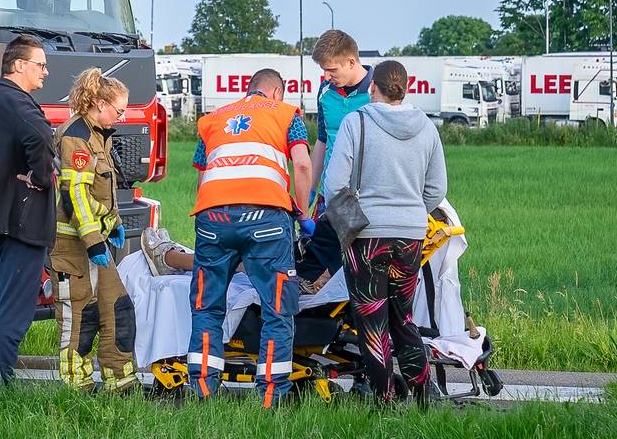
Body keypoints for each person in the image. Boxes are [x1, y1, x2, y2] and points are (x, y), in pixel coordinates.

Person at [322, 60, 447, 403]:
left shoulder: (356, 122)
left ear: (372, 86)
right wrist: (411, 212)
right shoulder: (427, 127)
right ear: (406, 88)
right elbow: (437, 188)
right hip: (411, 235)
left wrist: (355, 216)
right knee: (403, 318)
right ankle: (424, 395)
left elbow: (334, 184)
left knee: (372, 322)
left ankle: (385, 401)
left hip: (367, 236)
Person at [187, 68, 312, 407]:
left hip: (213, 219)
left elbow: (202, 179)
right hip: (266, 219)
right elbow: (302, 165)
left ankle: (201, 393)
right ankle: (271, 398)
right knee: (277, 309)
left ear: (249, 89)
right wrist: (303, 215)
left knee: (206, 306)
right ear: (276, 92)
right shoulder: (286, 114)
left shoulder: (212, 120)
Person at [0, 35, 55, 383]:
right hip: (21, 219)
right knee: (13, 310)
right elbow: (41, 138)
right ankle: (1, 385)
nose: (45, 72)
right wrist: (42, 176)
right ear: (19, 65)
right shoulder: (19, 103)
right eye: (40, 65)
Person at [49, 68, 139, 392]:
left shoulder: (99, 135)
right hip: (72, 247)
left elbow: (101, 194)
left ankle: (121, 381)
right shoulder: (77, 136)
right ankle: (77, 387)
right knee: (80, 317)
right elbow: (75, 195)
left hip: (95, 243)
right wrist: (93, 241)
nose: (122, 118)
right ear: (100, 103)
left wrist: (113, 225)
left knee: (118, 309)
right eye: (119, 110)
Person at [298, 29, 373, 293]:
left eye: (331, 70)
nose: (327, 76)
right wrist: (310, 189)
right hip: (331, 191)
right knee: (316, 264)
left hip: (366, 194)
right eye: (323, 71)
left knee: (360, 265)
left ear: (351, 61)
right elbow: (322, 140)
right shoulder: (325, 91)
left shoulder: (376, 91)